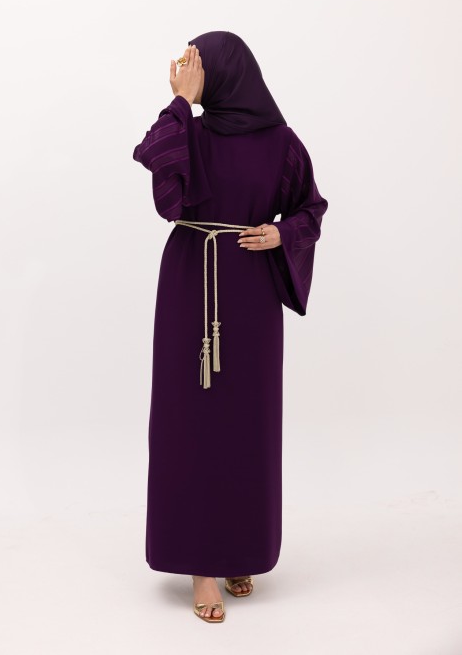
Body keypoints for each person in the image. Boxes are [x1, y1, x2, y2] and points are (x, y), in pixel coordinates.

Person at [132, 30, 329, 623]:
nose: (185, 70)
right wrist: (180, 103)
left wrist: (281, 233)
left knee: (248, 424)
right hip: (190, 287)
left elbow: (311, 208)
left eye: (195, 64)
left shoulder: (281, 142)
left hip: (251, 295)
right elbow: (165, 193)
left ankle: (240, 550)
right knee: (191, 425)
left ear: (227, 72)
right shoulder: (186, 132)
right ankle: (202, 567)